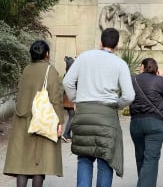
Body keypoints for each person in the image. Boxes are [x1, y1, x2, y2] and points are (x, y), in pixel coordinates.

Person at [63, 28, 135, 187]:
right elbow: (129, 96)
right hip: (107, 116)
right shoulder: (120, 64)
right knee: (105, 160)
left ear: (100, 42)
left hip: (84, 113)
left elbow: (67, 82)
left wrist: (76, 100)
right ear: (116, 46)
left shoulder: (84, 57)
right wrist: (116, 105)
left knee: (84, 159)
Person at [3, 40, 64, 187]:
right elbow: (55, 99)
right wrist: (59, 122)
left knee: (22, 165)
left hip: (22, 121)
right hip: (41, 120)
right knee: (39, 164)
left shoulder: (26, 70)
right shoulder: (51, 71)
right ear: (47, 54)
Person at [129, 58, 163, 187]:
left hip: (136, 122)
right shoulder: (159, 80)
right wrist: (161, 79)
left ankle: (144, 182)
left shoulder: (133, 79)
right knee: (151, 158)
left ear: (142, 66)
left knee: (140, 156)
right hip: (155, 123)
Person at [61, 56, 75, 143]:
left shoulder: (66, 73)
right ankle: (65, 134)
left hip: (66, 98)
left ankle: (68, 135)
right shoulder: (72, 74)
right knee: (72, 117)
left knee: (72, 116)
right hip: (70, 99)